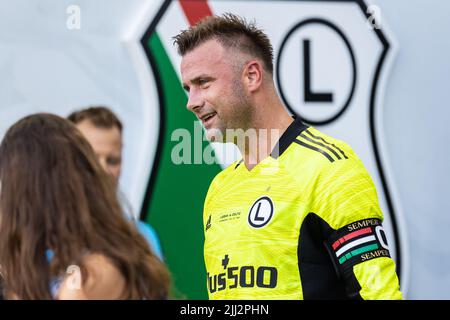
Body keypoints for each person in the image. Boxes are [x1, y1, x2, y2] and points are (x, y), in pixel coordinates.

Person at [174, 13, 403, 299]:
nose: (191, 102)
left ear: (252, 76)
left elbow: (378, 295)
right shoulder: (220, 189)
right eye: (188, 88)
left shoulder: (329, 168)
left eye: (203, 83)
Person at [0, 113, 170, 299]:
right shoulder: (115, 248)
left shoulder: (85, 279)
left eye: (112, 160)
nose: (104, 168)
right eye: (95, 158)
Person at [67, 107, 163, 259]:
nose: (103, 168)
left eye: (112, 161)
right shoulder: (38, 232)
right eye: (91, 157)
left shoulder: (143, 237)